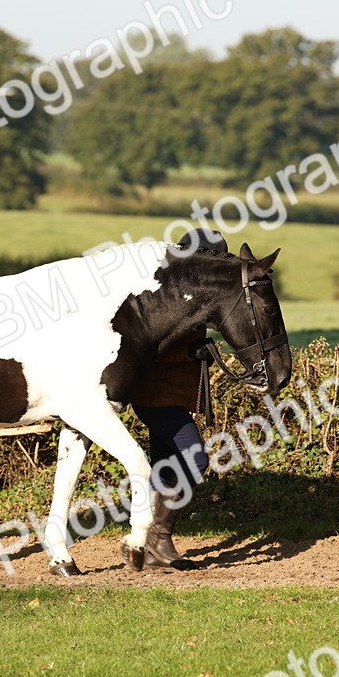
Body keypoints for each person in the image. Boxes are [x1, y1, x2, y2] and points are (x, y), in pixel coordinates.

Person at [122, 228, 227, 570]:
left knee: (164, 471)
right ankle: (159, 538)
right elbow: (155, 347)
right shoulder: (171, 297)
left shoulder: (187, 292)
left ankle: (140, 544)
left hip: (168, 394)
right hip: (156, 394)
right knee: (195, 459)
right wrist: (192, 350)